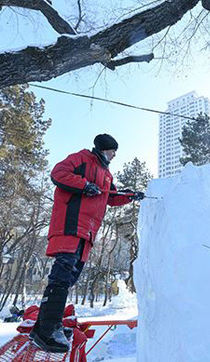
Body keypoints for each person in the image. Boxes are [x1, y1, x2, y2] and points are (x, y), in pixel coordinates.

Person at [31, 134, 144, 353]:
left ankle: (45, 325)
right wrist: (84, 185)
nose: (114, 155)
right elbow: (58, 173)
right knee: (62, 274)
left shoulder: (107, 174)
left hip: (88, 233)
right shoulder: (81, 159)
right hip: (70, 224)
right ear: (104, 149)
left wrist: (130, 196)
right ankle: (48, 330)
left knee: (69, 277)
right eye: (113, 151)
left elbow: (110, 197)